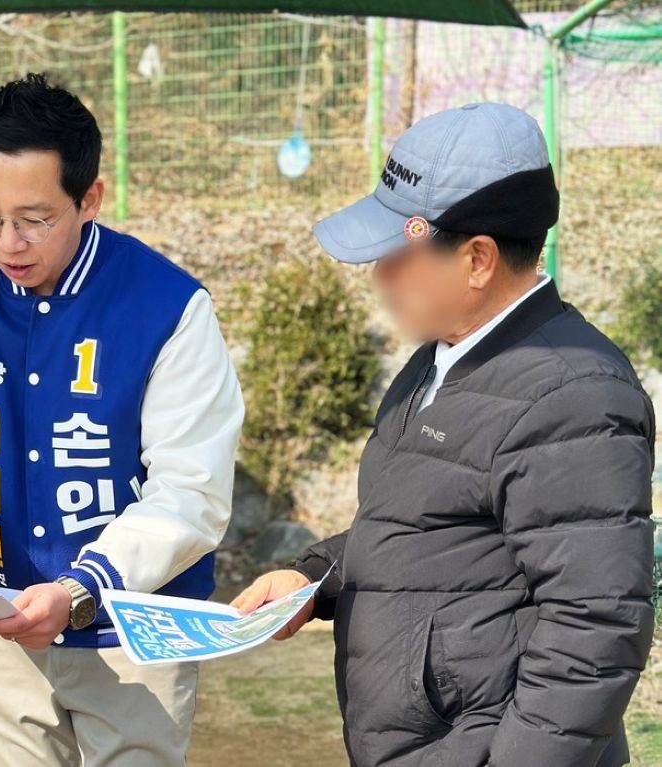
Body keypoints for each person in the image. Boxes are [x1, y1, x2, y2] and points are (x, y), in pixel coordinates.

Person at [234, 102, 655, 767]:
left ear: (477, 260)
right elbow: (429, 527)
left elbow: (594, 626)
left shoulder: (572, 393)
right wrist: (314, 578)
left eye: (397, 254)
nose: (378, 273)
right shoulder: (442, 359)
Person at [0, 72, 243, 766]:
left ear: (89, 198)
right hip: (5, 625)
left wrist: (79, 590)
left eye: (35, 218)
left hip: (134, 633)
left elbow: (190, 490)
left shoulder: (168, 307)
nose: (7, 242)